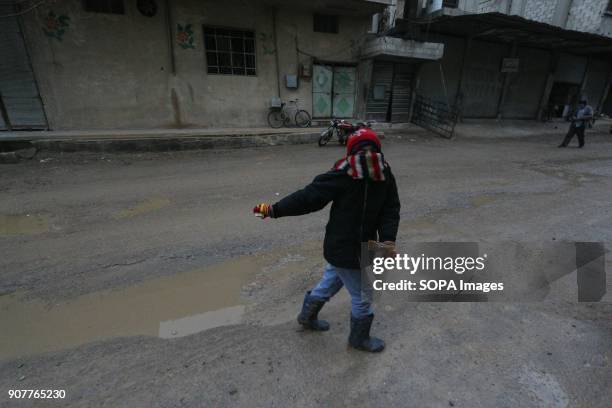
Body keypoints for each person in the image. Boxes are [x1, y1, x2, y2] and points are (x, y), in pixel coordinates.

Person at [253, 129, 400, 353]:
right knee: (364, 295)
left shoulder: (378, 174)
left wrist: (387, 241)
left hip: (352, 247)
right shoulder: (369, 172)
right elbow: (309, 198)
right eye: (366, 151)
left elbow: (389, 208)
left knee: (332, 280)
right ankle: (358, 339)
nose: (368, 156)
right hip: (345, 249)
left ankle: (306, 316)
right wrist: (274, 210)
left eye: (370, 151)